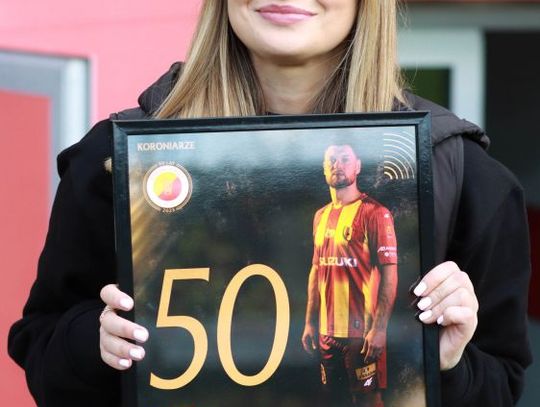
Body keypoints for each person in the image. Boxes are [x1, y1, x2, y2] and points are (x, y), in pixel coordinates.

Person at [8, 1, 531, 406]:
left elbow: (501, 385)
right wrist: (96, 342)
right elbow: (41, 349)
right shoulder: (117, 160)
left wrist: (445, 367)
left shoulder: (463, 178)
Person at [302, 144, 398, 407]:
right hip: (326, 333)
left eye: (345, 159)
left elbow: (390, 274)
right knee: (333, 400)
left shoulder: (375, 213)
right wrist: (310, 322)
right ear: (324, 168)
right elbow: (316, 270)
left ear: (357, 166)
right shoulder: (320, 216)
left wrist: (379, 329)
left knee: (368, 401)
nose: (337, 165)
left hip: (361, 334)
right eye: (331, 160)